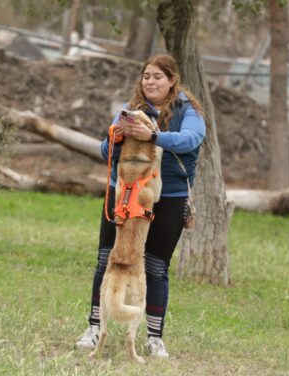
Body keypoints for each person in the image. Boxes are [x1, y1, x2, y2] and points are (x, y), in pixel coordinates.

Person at [75, 54, 206, 358]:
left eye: (157, 76)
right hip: (125, 193)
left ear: (172, 80)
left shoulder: (188, 110)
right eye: (146, 76)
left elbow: (191, 139)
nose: (150, 81)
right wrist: (116, 136)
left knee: (155, 265)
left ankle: (154, 337)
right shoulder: (131, 110)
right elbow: (105, 150)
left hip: (168, 196)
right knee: (108, 258)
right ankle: (94, 328)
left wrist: (154, 136)